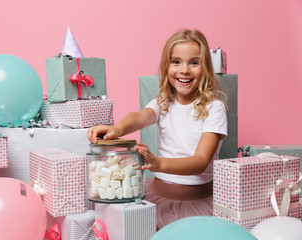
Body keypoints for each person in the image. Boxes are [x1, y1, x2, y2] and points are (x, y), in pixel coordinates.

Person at [87, 29, 227, 229]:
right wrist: (116, 129)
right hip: (159, 196)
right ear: (166, 66)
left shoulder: (214, 108)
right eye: (176, 62)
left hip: (198, 202)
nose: (184, 70)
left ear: (205, 68)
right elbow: (140, 117)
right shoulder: (163, 103)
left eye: (194, 62)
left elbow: (200, 162)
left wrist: (157, 163)